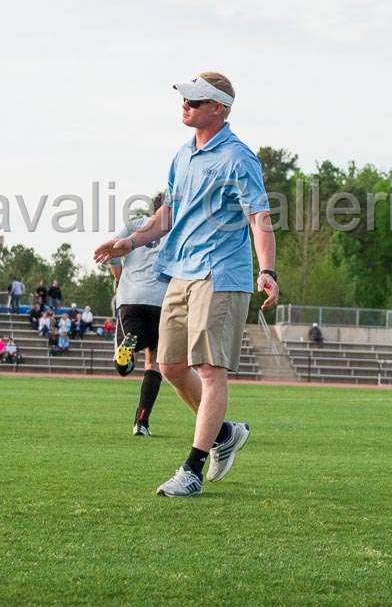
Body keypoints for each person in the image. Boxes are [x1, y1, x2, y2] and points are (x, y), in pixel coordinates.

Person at [93, 71, 276, 498]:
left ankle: (191, 470)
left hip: (221, 273)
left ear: (219, 108)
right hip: (180, 272)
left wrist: (267, 270)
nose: (186, 106)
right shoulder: (181, 156)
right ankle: (224, 434)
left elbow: (259, 219)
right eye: (186, 100)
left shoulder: (239, 158)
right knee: (171, 367)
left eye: (195, 102)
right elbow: (168, 215)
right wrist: (131, 241)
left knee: (210, 370)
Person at [109, 192, 170, 436]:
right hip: (162, 300)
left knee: (124, 368)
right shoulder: (176, 229)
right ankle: (141, 422)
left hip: (131, 297)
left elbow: (112, 252)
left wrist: (119, 277)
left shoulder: (134, 225)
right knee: (154, 362)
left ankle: (130, 342)